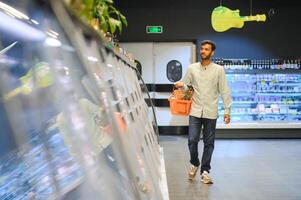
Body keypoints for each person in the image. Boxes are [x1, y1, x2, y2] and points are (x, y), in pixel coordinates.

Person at [175, 40, 232, 184]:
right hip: (195, 110)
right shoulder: (192, 68)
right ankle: (194, 163)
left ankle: (205, 171)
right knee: (192, 140)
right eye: (202, 49)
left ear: (212, 52)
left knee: (209, 143)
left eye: (206, 49)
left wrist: (227, 110)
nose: (203, 51)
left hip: (211, 112)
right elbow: (187, 89)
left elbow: (224, 91)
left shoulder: (219, 70)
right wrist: (182, 86)